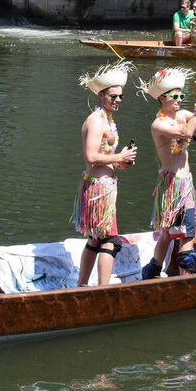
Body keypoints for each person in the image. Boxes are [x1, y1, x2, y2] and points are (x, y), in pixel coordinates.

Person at [138, 67, 196, 280]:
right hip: (175, 186)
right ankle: (184, 280)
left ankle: (150, 274)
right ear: (161, 98)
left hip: (183, 183)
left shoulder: (182, 115)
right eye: (175, 96)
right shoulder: (159, 123)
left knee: (169, 234)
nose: (179, 99)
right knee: (185, 235)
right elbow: (187, 132)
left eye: (181, 95)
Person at [73, 61, 137, 286]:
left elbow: (103, 155)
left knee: (96, 238)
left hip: (104, 185)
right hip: (98, 188)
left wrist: (121, 162)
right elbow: (91, 157)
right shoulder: (96, 121)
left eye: (120, 96)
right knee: (110, 239)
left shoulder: (107, 120)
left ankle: (82, 285)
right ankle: (102, 289)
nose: (118, 100)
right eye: (113, 96)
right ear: (101, 96)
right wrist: (119, 157)